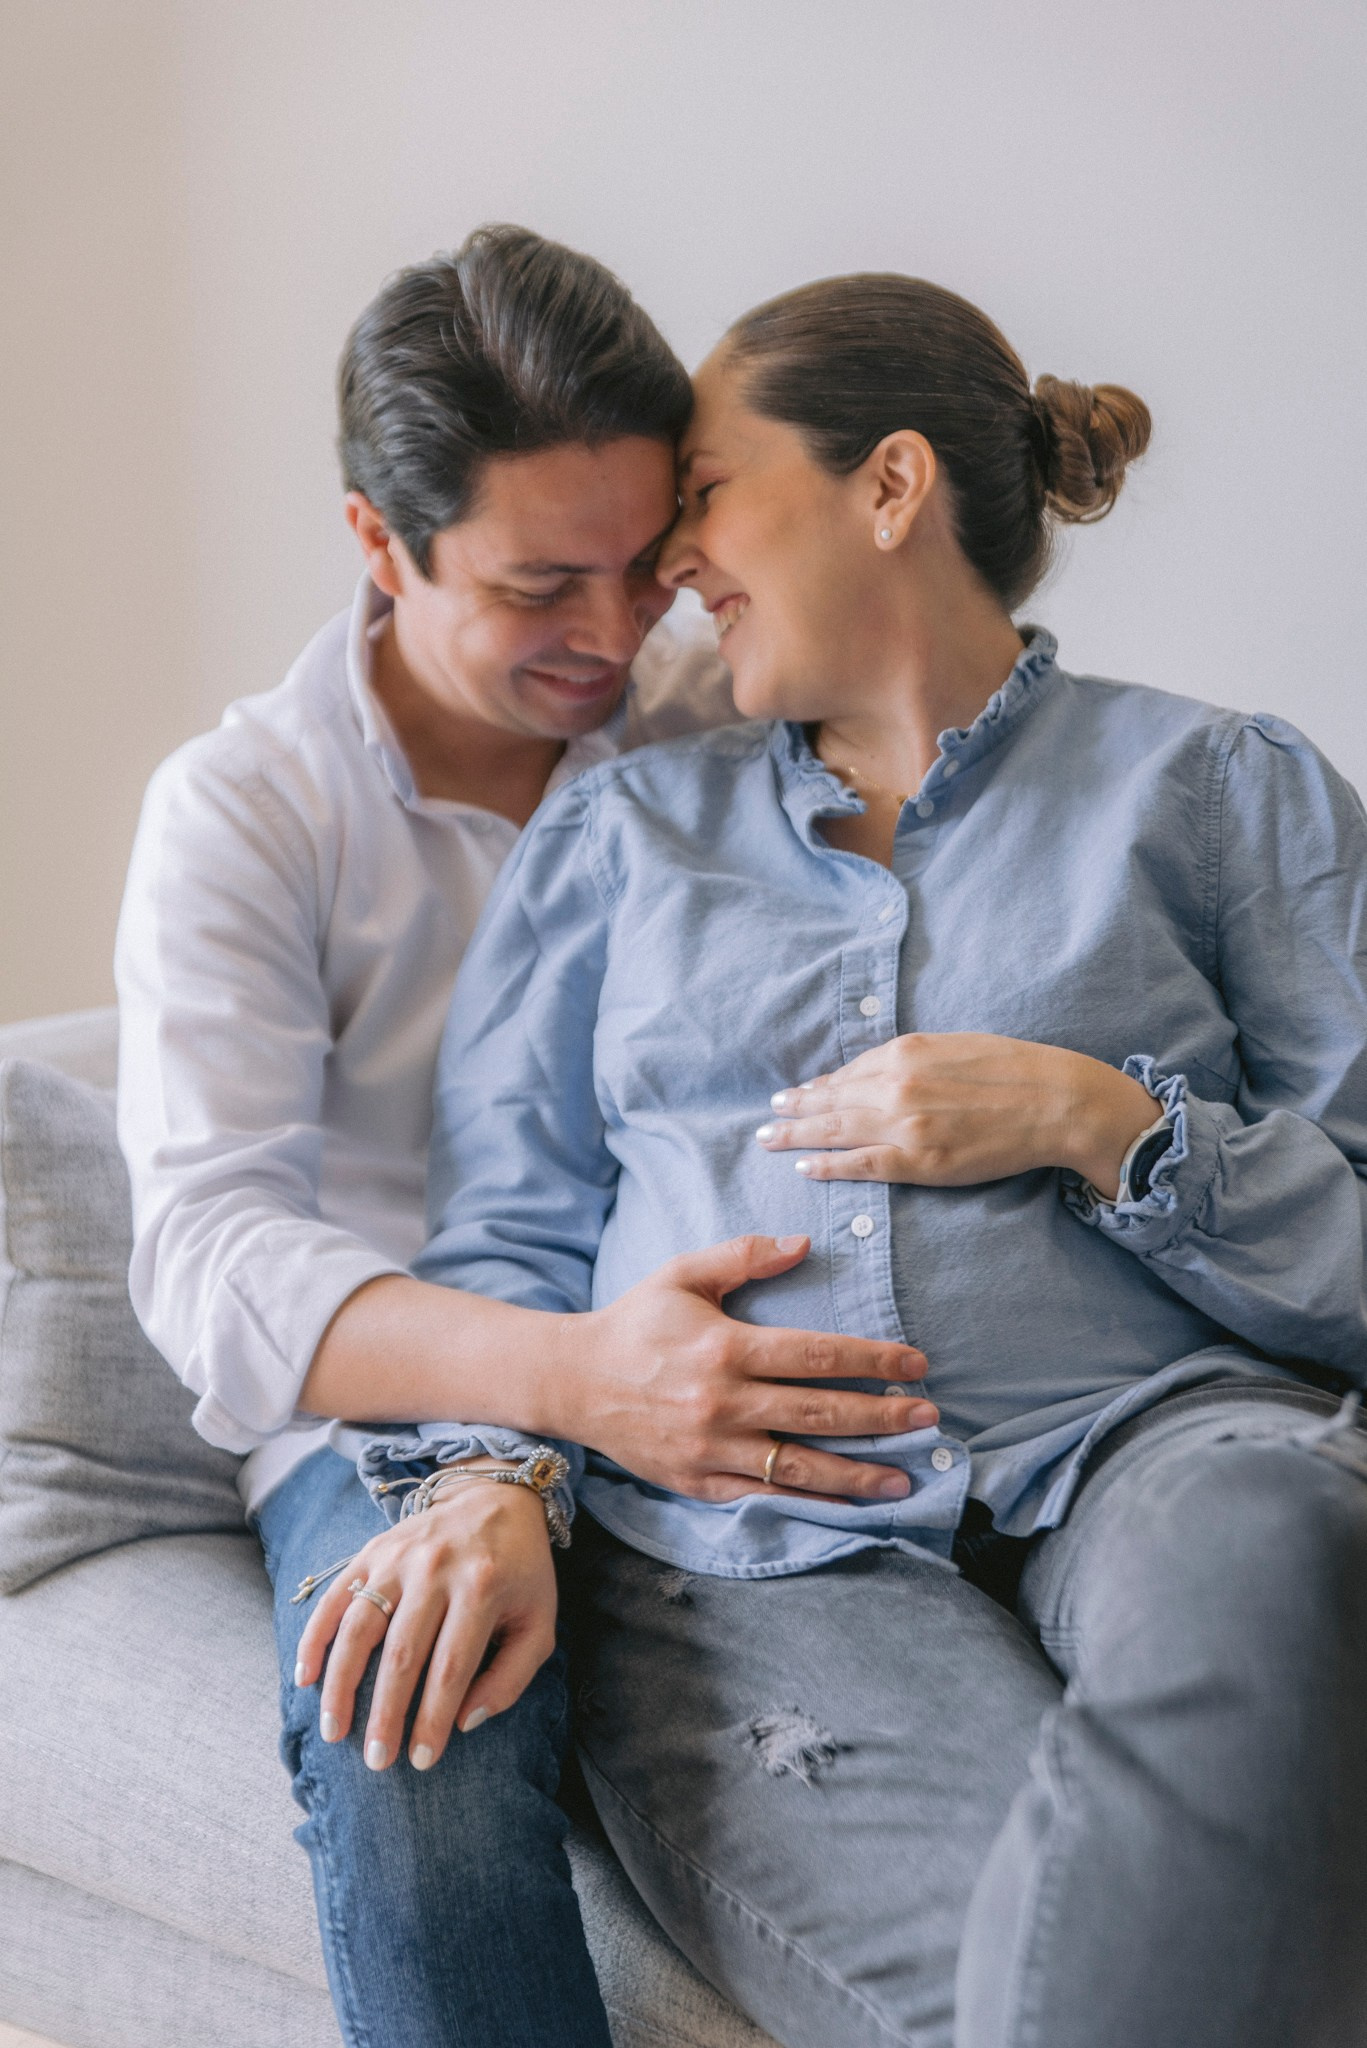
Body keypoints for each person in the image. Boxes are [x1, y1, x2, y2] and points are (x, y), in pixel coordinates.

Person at [309, 272, 1367, 2048]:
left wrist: (1091, 1119)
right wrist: (498, 1470)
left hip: (1161, 1453)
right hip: (764, 1556)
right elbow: (505, 1227)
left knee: (1279, 1529)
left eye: (704, 496)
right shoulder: (626, 827)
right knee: (1037, 1986)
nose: (664, 575)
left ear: (889, 489)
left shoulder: (1219, 790)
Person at [115, 230, 935, 2048]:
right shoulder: (246, 815)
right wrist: (567, 1394)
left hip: (725, 1357)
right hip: (397, 1408)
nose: (611, 633)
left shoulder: (715, 724)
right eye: (538, 585)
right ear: (377, 544)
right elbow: (217, 1262)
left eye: (645, 568)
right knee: (418, 1722)